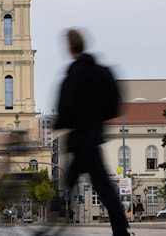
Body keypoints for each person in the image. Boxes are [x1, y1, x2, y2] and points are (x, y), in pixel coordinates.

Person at [54, 28, 131, 236]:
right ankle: (120, 227)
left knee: (91, 184)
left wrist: (59, 123)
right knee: (91, 181)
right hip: (94, 134)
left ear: (70, 48)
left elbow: (64, 105)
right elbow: (115, 102)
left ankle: (54, 218)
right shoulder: (102, 71)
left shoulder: (75, 72)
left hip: (81, 137)